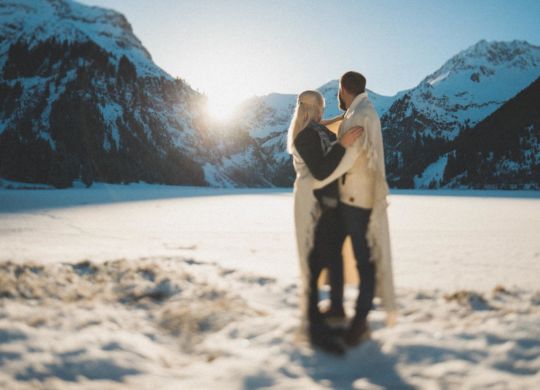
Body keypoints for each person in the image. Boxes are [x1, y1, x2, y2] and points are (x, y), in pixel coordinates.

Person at [312, 71, 397, 347]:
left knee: (363, 260)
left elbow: (349, 156)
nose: (337, 95)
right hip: (347, 200)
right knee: (335, 253)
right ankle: (337, 306)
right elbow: (343, 125)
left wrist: (329, 159)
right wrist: (322, 124)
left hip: (357, 203)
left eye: (338, 90)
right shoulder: (357, 110)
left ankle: (360, 320)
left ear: (344, 89)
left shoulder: (362, 115)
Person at [288, 90, 363, 354]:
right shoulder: (305, 136)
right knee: (313, 266)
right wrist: (342, 144)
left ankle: (331, 317)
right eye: (320, 108)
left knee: (330, 259)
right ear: (311, 110)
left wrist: (343, 121)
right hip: (311, 206)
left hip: (327, 207)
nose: (323, 112)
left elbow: (330, 137)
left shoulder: (316, 130)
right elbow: (321, 169)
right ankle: (315, 329)